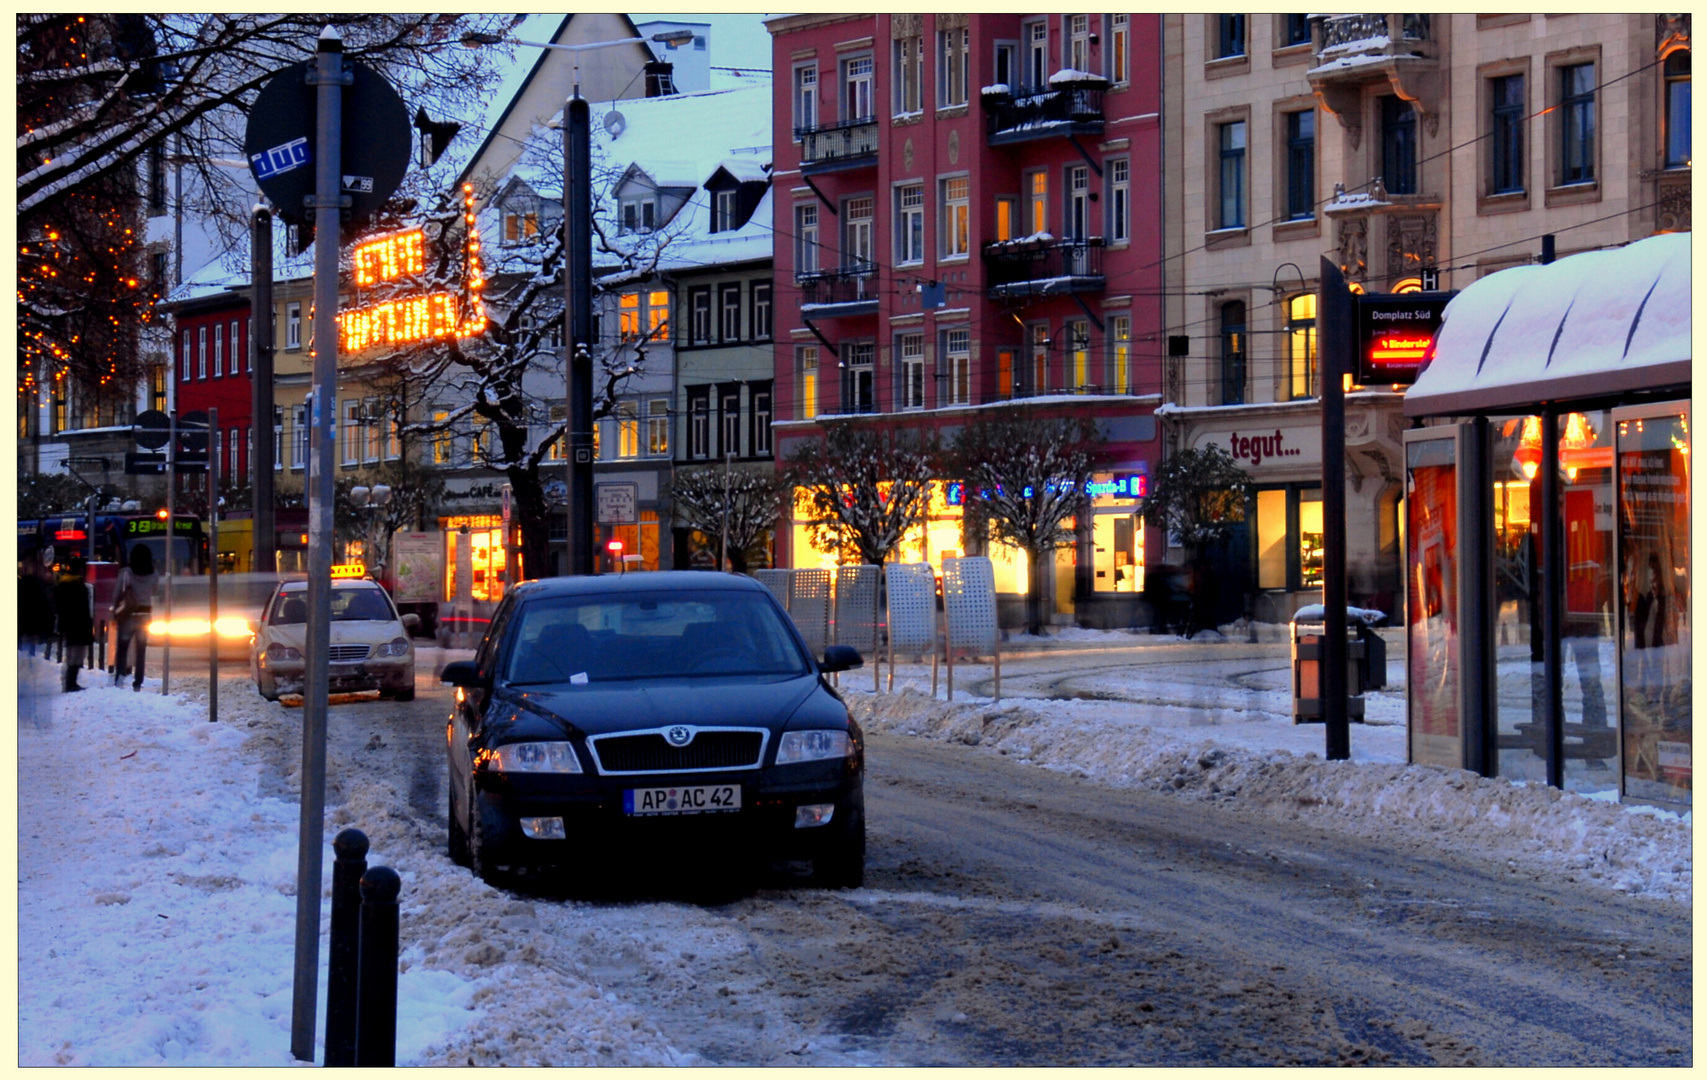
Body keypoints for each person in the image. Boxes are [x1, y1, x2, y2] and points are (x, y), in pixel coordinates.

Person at [112, 544, 159, 691]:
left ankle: (119, 678)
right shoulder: (154, 573)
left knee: (122, 648)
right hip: (145, 616)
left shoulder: (126, 573)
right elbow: (154, 591)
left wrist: (114, 611)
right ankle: (138, 683)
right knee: (141, 651)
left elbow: (117, 593)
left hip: (128, 615)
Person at [52, 555, 95, 692]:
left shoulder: (63, 584)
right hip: (78, 625)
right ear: (80, 570)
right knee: (76, 655)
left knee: (72, 653)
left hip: (69, 625)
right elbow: (82, 609)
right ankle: (71, 683)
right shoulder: (77, 586)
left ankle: (69, 682)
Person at [18, 549, 56, 658]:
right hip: (31, 626)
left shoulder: (24, 584)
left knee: (24, 652)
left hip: (25, 626)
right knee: (28, 653)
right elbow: (45, 607)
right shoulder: (37, 585)